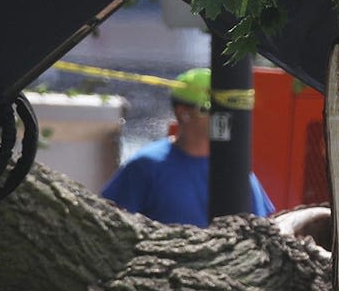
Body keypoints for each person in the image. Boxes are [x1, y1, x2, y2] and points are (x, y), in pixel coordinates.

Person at [100, 66, 274, 226]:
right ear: (183, 113)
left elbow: (263, 226)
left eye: (225, 110)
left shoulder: (235, 169)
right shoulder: (146, 166)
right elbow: (108, 224)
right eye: (210, 109)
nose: (221, 117)